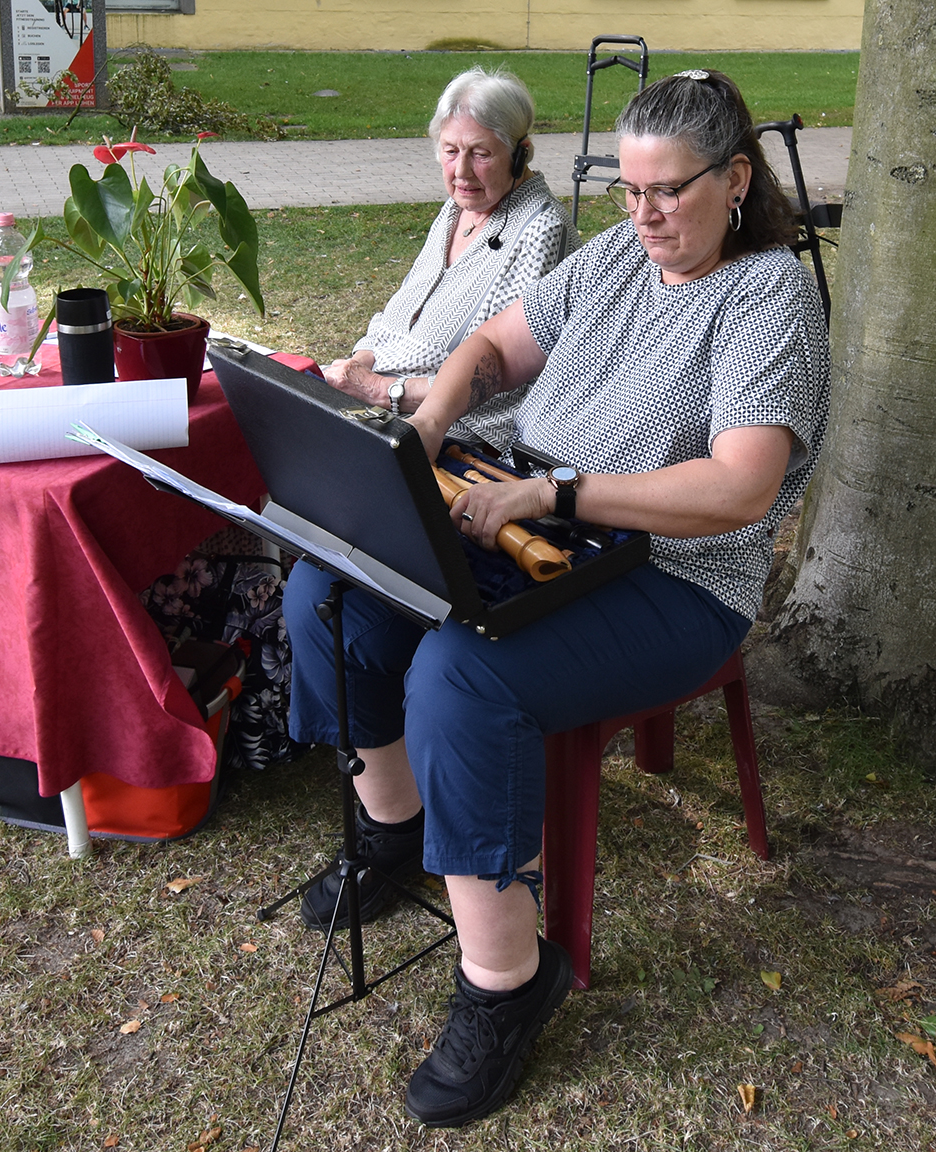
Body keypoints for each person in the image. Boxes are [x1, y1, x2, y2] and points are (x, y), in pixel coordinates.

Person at [283, 70, 830, 1126]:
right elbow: (490, 346)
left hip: (677, 579)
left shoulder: (768, 294)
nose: (645, 214)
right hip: (536, 524)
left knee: (464, 675)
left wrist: (557, 490)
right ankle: (392, 826)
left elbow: (740, 486)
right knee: (329, 592)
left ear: (736, 179)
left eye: (670, 190)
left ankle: (506, 981)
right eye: (629, 190)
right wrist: (431, 426)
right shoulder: (624, 253)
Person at [322, 66, 578, 455]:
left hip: (457, 436)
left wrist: (383, 390)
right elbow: (400, 312)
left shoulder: (542, 229)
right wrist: (358, 363)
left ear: (520, 153)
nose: (461, 172)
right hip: (384, 401)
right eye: (450, 151)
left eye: (481, 154)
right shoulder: (456, 210)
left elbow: (507, 381)